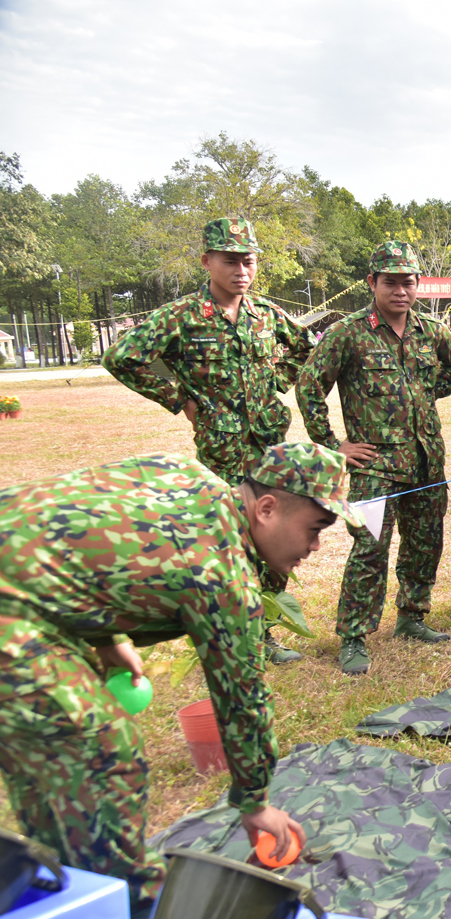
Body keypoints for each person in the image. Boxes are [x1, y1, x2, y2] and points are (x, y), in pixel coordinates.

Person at [0, 443, 358, 919]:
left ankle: (64, 884)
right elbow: (242, 699)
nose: (316, 546)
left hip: (24, 590)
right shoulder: (222, 576)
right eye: (316, 529)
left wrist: (108, 639)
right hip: (11, 612)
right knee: (100, 749)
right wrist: (254, 803)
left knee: (51, 754)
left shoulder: (182, 472)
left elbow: (87, 529)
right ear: (267, 509)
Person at [103, 215, 315, 665]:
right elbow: (123, 356)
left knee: (275, 536)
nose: (241, 270)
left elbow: (303, 348)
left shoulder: (266, 315)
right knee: (230, 539)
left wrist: (279, 379)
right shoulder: (181, 316)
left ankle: (267, 631)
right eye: (230, 261)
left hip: (270, 446)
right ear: (207, 261)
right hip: (222, 450)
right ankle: (233, 635)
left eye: (249, 261)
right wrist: (179, 397)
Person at [297, 241, 451, 674]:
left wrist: (429, 392)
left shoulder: (430, 330)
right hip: (374, 468)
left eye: (408, 282)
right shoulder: (348, 333)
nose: (400, 290)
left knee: (425, 543)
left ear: (417, 285)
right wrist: (332, 443)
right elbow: (308, 386)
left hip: (427, 459)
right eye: (389, 282)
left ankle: (412, 616)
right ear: (372, 282)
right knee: (370, 550)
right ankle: (353, 635)